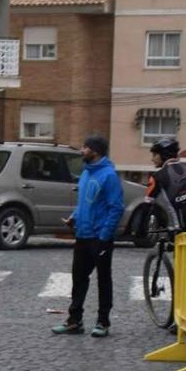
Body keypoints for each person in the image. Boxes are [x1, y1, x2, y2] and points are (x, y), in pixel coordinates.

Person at [49, 135, 126, 340]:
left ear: (95, 151)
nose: (82, 150)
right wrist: (74, 218)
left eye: (85, 148)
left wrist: (104, 235)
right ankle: (75, 321)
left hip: (99, 237)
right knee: (78, 279)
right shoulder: (85, 173)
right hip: (82, 235)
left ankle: (103, 322)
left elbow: (116, 208)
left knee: (103, 280)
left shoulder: (109, 175)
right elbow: (86, 203)